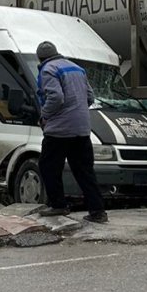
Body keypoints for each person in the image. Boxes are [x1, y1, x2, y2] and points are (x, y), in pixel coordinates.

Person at [33, 42, 107, 223]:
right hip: (82, 129)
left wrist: (45, 115)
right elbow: (90, 96)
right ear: (57, 53)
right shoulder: (77, 69)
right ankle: (97, 211)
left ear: (40, 58)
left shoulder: (48, 69)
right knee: (84, 171)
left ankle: (58, 205)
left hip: (59, 129)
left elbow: (56, 97)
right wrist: (77, 111)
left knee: (48, 166)